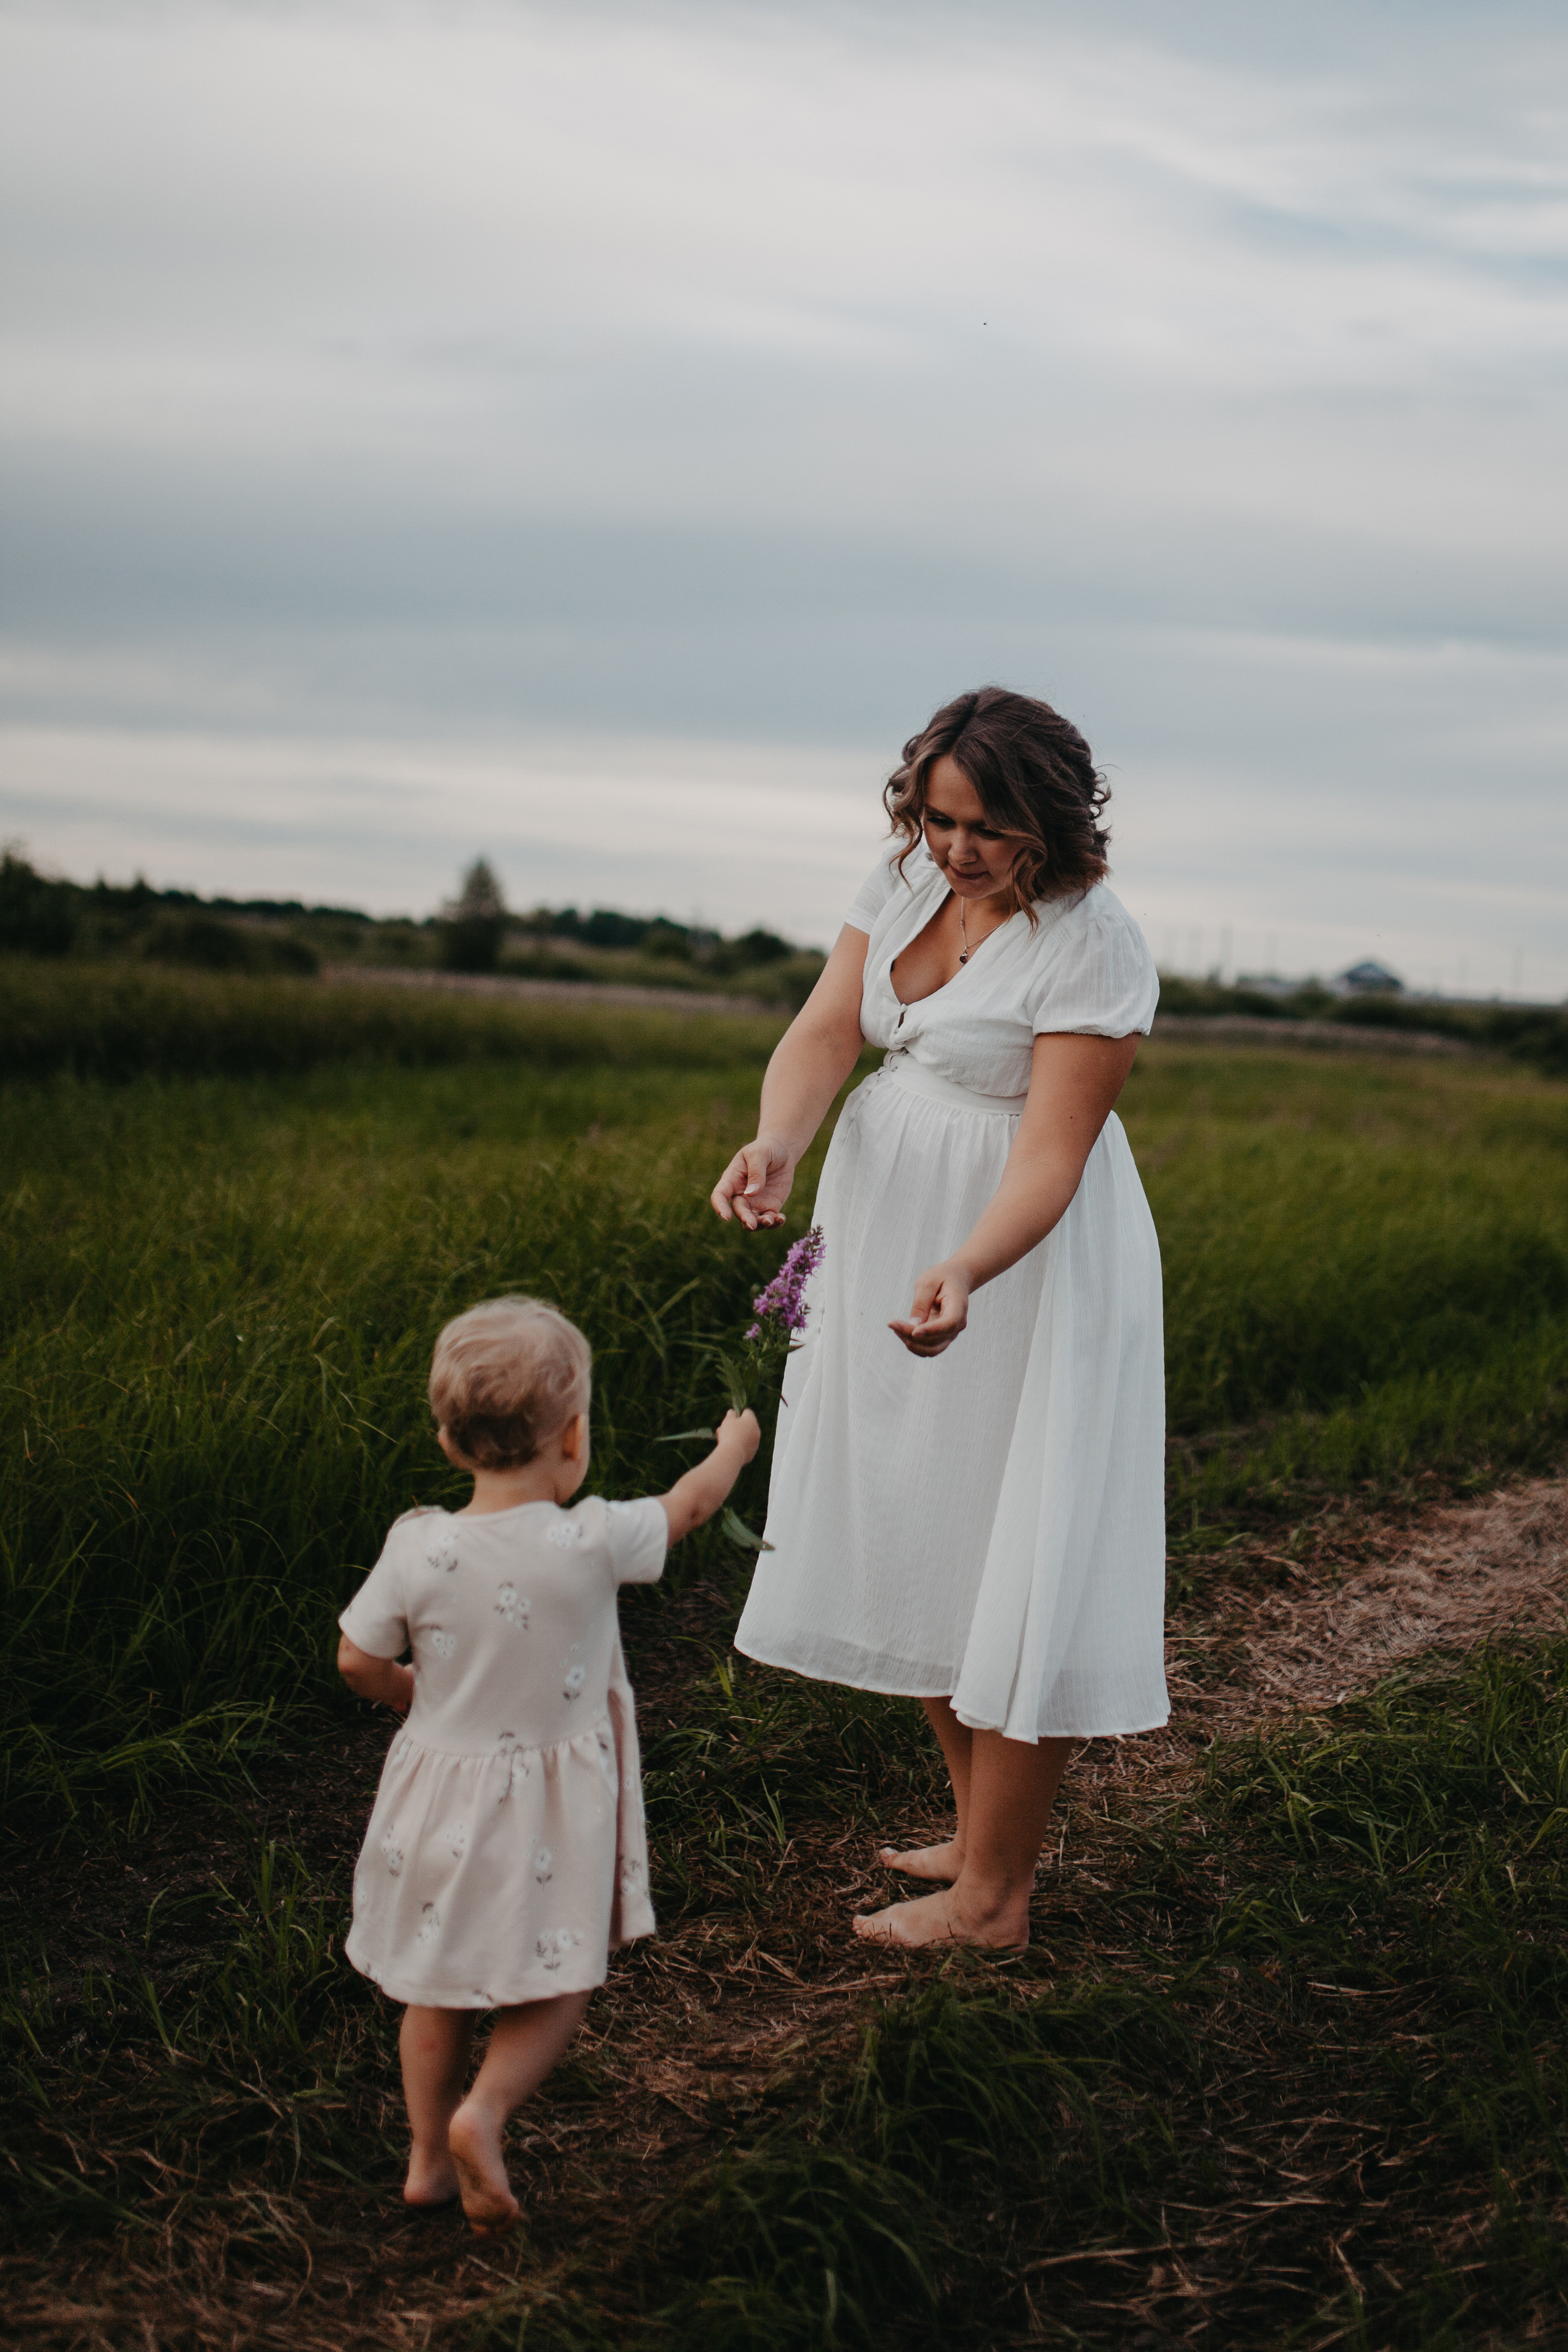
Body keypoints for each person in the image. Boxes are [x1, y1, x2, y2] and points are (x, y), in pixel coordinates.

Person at [710, 685, 1166, 1951]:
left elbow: (1053, 1154)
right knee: (921, 1518)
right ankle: (976, 1834)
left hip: (1021, 1260)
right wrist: (777, 1142)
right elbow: (825, 1030)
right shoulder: (905, 879)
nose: (954, 848)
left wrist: (968, 1265)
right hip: (883, 1234)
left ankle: (992, 1900)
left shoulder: (1093, 941)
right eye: (935, 817)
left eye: (985, 827)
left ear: (1049, 820)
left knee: (1017, 1542)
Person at [336, 1295, 760, 2233]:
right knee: (561, 1969)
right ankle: (484, 2113)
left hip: (433, 1800)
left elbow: (356, 1659)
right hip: (548, 1811)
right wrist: (734, 1447)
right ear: (573, 1436)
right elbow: (691, 1507)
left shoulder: (418, 1544)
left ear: (448, 1441)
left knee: (433, 1983)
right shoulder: (593, 1537)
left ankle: (425, 2162)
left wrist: (410, 1694)